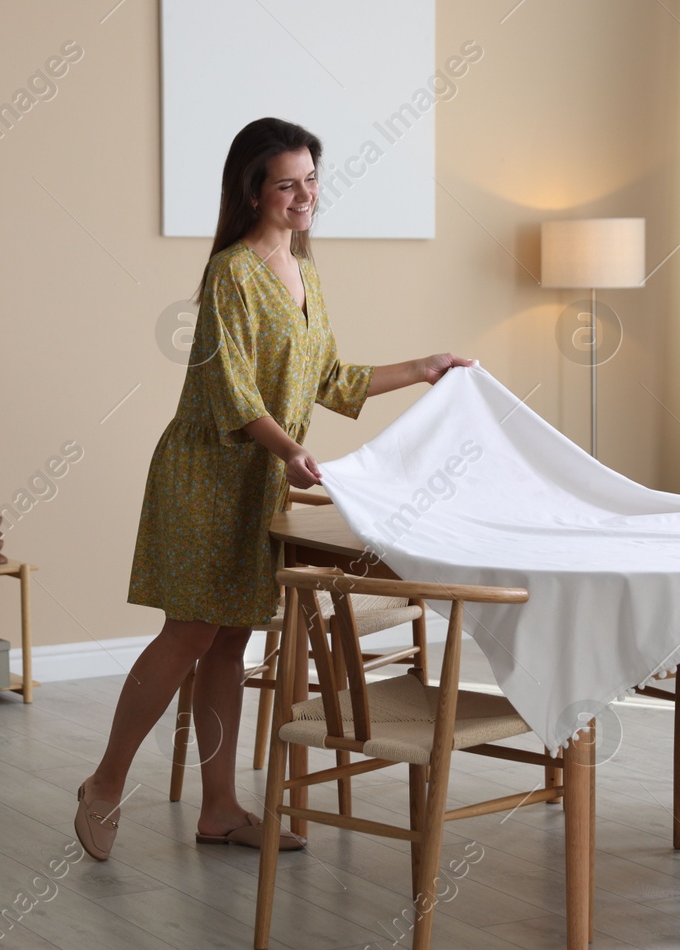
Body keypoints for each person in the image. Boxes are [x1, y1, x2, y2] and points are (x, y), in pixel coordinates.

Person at [75, 117, 472, 860]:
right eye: (287, 182)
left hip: (262, 480)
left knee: (231, 642)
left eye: (311, 179)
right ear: (254, 190)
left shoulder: (307, 274)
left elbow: (328, 379)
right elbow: (230, 392)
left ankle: (220, 808)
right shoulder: (232, 272)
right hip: (205, 476)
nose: (304, 195)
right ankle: (103, 782)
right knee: (190, 632)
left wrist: (420, 368)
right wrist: (290, 448)